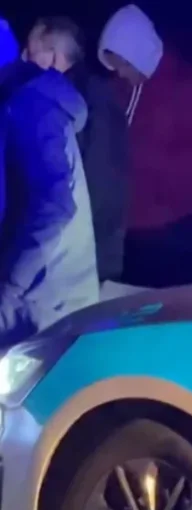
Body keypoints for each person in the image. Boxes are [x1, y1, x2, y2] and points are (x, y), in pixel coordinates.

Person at [97, 5, 192, 287]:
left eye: (124, 64)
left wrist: (135, 161)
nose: (120, 73)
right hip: (124, 227)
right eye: (114, 66)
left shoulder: (189, 90)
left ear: (139, 53)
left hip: (173, 228)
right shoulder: (117, 90)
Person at [0, 17, 98, 345]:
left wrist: (11, 285)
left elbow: (54, 204)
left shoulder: (31, 106)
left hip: (41, 303)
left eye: (30, 51)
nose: (24, 58)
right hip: (45, 299)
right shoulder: (31, 104)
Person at [25, 17, 130, 295]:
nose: (24, 60)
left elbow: (96, 187)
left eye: (31, 53)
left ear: (53, 58)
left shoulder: (73, 105)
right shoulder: (92, 96)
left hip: (77, 264)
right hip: (85, 258)